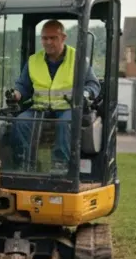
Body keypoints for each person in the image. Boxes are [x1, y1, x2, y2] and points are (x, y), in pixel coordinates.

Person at [6, 19, 100, 172]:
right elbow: (23, 86)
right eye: (44, 38)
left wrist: (85, 93)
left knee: (65, 123)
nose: (48, 42)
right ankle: (24, 163)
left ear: (63, 38)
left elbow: (93, 84)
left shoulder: (78, 60)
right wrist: (16, 94)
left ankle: (60, 164)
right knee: (20, 121)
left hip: (67, 107)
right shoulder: (33, 61)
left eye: (53, 38)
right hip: (40, 107)